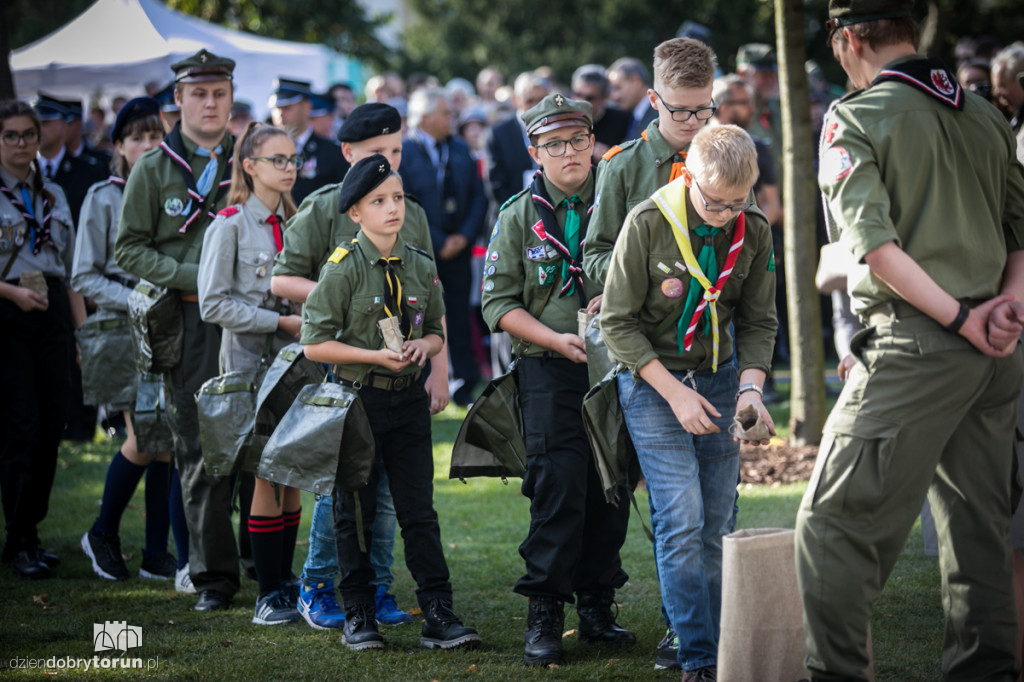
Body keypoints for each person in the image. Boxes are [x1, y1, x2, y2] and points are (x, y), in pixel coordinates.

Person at [795, 2, 1024, 679]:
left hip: (921, 345)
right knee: (977, 534)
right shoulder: (983, 113)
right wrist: (1002, 312)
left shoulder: (853, 118)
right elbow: (1021, 234)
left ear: (846, 41)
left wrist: (960, 319)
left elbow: (873, 250)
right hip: (996, 353)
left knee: (830, 528)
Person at [601, 124, 777, 681]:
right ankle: (698, 656)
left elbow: (758, 318)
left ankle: (721, 638)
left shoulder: (752, 227)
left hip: (721, 377)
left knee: (717, 520)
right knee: (680, 516)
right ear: (689, 175)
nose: (725, 214)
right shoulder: (648, 222)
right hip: (654, 381)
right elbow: (616, 323)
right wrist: (675, 394)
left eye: (737, 203)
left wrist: (751, 388)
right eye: (714, 202)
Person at [584, 38, 729, 671]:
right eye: (682, 112)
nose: (695, 123)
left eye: (705, 110)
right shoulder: (621, 167)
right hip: (648, 357)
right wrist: (642, 276)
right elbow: (592, 257)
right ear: (652, 100)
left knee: (712, 513)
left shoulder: (725, 156)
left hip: (714, 358)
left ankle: (701, 629)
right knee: (678, 510)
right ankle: (684, 632)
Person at [271, 102, 441, 631]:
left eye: (396, 153)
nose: (390, 166)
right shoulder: (327, 207)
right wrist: (340, 292)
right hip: (348, 374)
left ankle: (380, 589)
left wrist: (439, 365)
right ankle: (321, 585)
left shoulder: (407, 210)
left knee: (395, 496)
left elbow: (426, 295)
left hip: (404, 373)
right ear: (347, 154)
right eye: (376, 155)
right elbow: (282, 280)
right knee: (343, 496)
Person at [301, 153, 481, 651]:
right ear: (355, 213)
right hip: (358, 403)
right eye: (378, 201)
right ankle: (359, 614)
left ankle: (438, 611)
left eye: (398, 198)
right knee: (353, 512)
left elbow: (438, 331)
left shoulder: (421, 264)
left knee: (418, 511)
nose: (392, 208)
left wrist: (424, 347)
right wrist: (373, 356)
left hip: (407, 405)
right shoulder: (342, 268)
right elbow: (314, 343)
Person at [481, 93, 634, 666]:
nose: (567, 152)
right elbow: (496, 304)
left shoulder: (618, 206)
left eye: (577, 140)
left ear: (593, 143)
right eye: (553, 144)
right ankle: (545, 609)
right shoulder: (519, 214)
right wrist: (554, 339)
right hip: (548, 369)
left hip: (615, 364)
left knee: (610, 485)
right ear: (534, 152)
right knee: (557, 485)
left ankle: (597, 604)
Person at [115, 48, 240, 612]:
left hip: (250, 320)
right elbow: (129, 248)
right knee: (195, 446)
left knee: (253, 444)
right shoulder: (154, 168)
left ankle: (265, 563)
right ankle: (211, 575)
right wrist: (197, 276)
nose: (209, 103)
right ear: (179, 101)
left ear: (230, 98)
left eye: (218, 93)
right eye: (198, 93)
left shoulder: (252, 158)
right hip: (186, 319)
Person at [198, 122, 306, 625]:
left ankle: (285, 579)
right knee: (264, 472)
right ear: (249, 166)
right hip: (251, 366)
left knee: (293, 474)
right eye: (277, 160)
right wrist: (278, 320)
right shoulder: (231, 224)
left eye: (292, 159)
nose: (289, 168)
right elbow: (212, 303)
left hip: (297, 365)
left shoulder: (298, 219)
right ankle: (268, 592)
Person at [75, 97, 185, 585]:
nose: (147, 145)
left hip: (167, 327)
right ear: (118, 145)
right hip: (123, 328)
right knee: (143, 435)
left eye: (156, 136)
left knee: (165, 443)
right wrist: (135, 296)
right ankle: (101, 533)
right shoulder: (103, 196)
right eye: (136, 137)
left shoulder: (172, 194)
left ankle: (155, 553)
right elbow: (83, 275)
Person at [0, 99, 85, 579]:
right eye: (10, 135)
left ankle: (30, 530)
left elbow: (70, 272)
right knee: (20, 427)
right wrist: (10, 292)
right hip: (7, 315)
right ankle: (19, 538)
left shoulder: (52, 194)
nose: (20, 144)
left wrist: (80, 333)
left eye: (27, 135)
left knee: (53, 424)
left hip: (51, 312)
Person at [401, 87, 487, 406]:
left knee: (460, 317)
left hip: (460, 252)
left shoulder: (461, 148)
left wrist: (463, 237)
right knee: (422, 318)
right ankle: (424, 382)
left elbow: (480, 196)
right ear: (425, 118)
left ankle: (464, 381)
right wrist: (438, 241)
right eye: (445, 114)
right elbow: (406, 202)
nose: (453, 119)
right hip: (422, 253)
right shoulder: (405, 152)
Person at [268, 78, 349, 206]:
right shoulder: (264, 152)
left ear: (307, 107)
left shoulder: (333, 153)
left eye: (287, 107)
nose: (280, 114)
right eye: (276, 108)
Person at [486, 71, 551, 208]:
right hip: (511, 213)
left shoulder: (557, 129)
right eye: (530, 101)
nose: (536, 107)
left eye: (541, 100)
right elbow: (495, 185)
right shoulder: (498, 134)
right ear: (515, 100)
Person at [571, 65, 632, 163]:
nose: (581, 102)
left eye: (590, 98)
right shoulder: (564, 121)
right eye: (578, 94)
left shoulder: (622, 120)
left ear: (605, 98)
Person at [607, 57, 657, 140]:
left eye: (617, 88)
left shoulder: (660, 115)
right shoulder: (630, 118)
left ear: (636, 81)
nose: (614, 96)